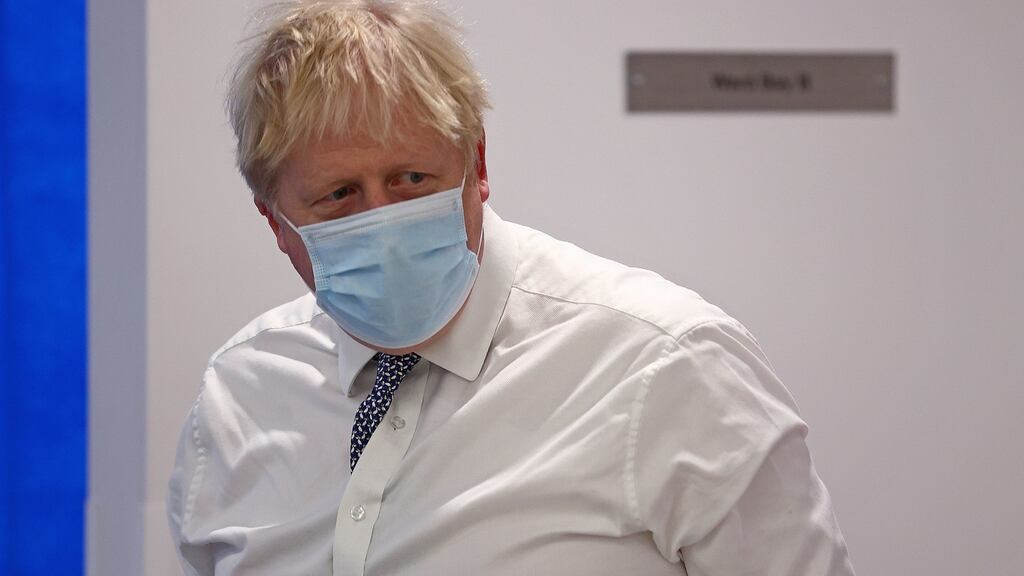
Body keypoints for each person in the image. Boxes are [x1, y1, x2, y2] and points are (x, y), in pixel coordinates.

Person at [167, 1, 856, 574]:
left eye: (412, 180)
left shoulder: (666, 365)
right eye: (339, 196)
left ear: (477, 163)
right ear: (276, 221)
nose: (383, 223)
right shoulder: (241, 396)